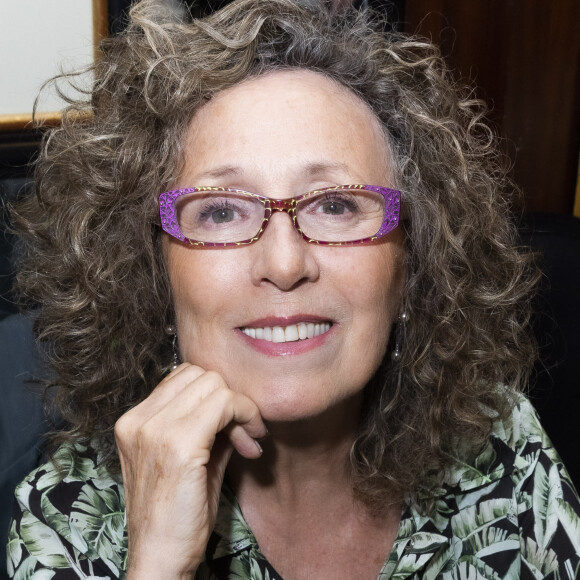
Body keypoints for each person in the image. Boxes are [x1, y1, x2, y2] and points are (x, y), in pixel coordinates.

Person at [6, 0, 580, 578]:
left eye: (336, 205)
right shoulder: (67, 515)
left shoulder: (500, 443)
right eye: (221, 212)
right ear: (150, 271)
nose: (284, 263)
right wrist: (157, 565)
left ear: (413, 261)